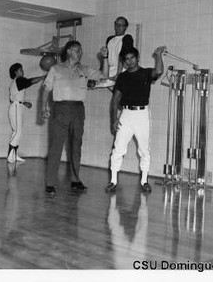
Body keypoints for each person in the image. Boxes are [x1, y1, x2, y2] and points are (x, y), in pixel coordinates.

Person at [41, 41, 109, 196]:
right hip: (60, 109)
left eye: (81, 50)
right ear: (69, 51)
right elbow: (46, 89)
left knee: (76, 146)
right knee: (56, 147)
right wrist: (43, 108)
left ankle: (75, 180)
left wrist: (105, 58)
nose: (80, 53)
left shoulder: (84, 69)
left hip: (78, 109)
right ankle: (50, 183)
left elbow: (104, 75)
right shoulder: (56, 69)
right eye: (78, 50)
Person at [105, 45, 167, 194]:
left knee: (144, 149)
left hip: (142, 114)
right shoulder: (123, 77)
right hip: (126, 114)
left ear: (137, 58)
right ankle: (113, 181)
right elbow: (115, 99)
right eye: (127, 59)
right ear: (124, 61)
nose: (130, 61)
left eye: (132, 58)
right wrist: (114, 119)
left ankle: (144, 180)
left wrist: (158, 55)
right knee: (118, 148)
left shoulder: (145, 73)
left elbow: (158, 71)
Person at [7, 63, 45, 163]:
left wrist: (24, 103)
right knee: (17, 132)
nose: (23, 71)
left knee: (16, 132)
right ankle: (11, 155)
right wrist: (43, 77)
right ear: (16, 72)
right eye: (21, 69)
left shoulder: (17, 82)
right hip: (15, 107)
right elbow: (31, 81)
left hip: (17, 106)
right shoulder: (18, 80)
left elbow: (15, 97)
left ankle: (14, 155)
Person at [95, 16, 134, 88]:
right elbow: (105, 57)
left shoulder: (127, 38)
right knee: (94, 84)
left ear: (125, 27)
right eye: (117, 24)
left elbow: (123, 55)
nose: (118, 27)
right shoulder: (110, 39)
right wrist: (101, 72)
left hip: (121, 72)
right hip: (109, 72)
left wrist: (118, 74)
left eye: (121, 25)